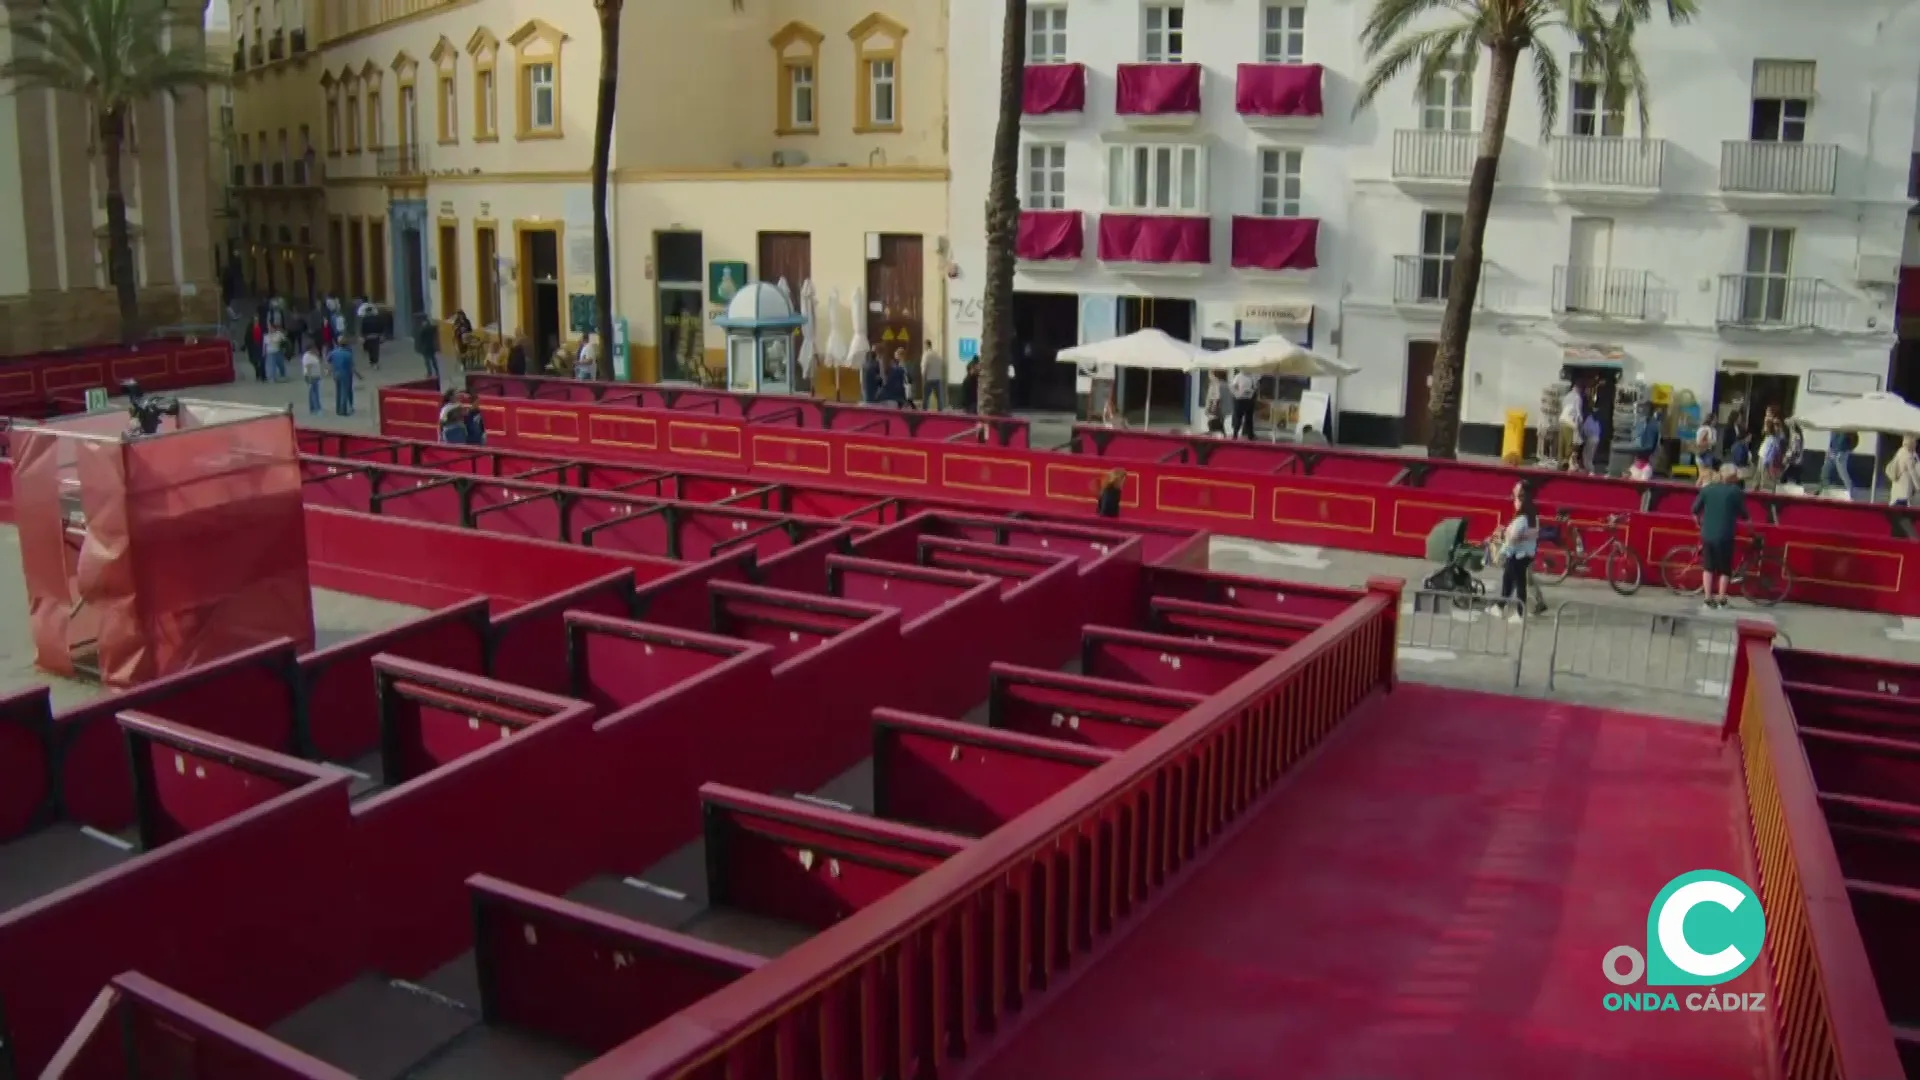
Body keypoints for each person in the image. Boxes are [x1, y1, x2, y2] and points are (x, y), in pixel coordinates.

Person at [1692, 464, 1749, 610]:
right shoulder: (1735, 492)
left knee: (1708, 567)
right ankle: (1722, 598)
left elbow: (1695, 509)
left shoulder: (1708, 489)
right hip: (1725, 535)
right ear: (1733, 478)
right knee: (1725, 569)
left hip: (1708, 534)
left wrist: (1699, 521)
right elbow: (1744, 513)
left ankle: (1707, 599)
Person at [1496, 488, 1539, 624]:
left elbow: (1513, 538)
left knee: (1520, 584)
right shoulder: (1530, 517)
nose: (1514, 502)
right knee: (1508, 579)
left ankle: (1520, 614)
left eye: (1516, 500)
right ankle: (1500, 607)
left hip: (1518, 556)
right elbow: (1533, 534)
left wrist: (1504, 545)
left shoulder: (1522, 519)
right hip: (1522, 555)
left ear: (1521, 502)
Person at [1821, 429, 1857, 496]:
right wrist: (1830, 449)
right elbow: (1833, 437)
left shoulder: (1845, 427)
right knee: (1825, 472)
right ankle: (1823, 490)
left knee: (1842, 473)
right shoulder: (1835, 426)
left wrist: (1844, 450)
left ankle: (1850, 491)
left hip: (1841, 452)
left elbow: (1852, 438)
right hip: (1834, 451)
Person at [327, 335, 356, 416]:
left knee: (338, 391)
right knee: (344, 392)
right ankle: (343, 410)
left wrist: (330, 370)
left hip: (336, 373)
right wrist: (359, 375)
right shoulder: (348, 354)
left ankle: (338, 409)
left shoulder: (333, 352)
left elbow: (328, 360)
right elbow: (352, 366)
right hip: (345, 374)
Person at [1888, 435, 1917, 507]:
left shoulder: (1910, 454)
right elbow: (1913, 473)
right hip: (1902, 493)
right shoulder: (1906, 454)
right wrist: (1918, 487)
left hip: (1902, 492)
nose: (1916, 444)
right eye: (1915, 442)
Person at [1228, 369, 1257, 439]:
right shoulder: (1238, 376)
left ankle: (1250, 434)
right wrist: (1237, 394)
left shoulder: (1252, 376)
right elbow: (1232, 387)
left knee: (1248, 418)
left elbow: (1255, 387)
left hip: (1248, 399)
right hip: (1240, 399)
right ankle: (1235, 434)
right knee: (1238, 418)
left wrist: (1251, 392)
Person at [919, 340, 945, 411]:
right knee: (939, 397)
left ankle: (924, 411)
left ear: (926, 345)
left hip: (929, 379)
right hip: (938, 378)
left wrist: (923, 378)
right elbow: (941, 364)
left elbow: (924, 367)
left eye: (924, 345)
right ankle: (940, 411)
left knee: (926, 397)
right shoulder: (937, 354)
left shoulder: (926, 355)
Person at [415, 315, 441, 382]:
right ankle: (437, 371)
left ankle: (429, 373)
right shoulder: (432, 328)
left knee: (427, 361)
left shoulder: (423, 329)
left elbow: (420, 337)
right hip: (431, 346)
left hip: (425, 347)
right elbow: (436, 328)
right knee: (433, 360)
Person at [300, 342, 322, 414]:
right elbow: (308, 367)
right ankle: (316, 408)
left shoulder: (313, 355)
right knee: (313, 393)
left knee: (315, 392)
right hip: (311, 376)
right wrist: (309, 378)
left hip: (315, 376)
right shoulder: (307, 356)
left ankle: (314, 407)